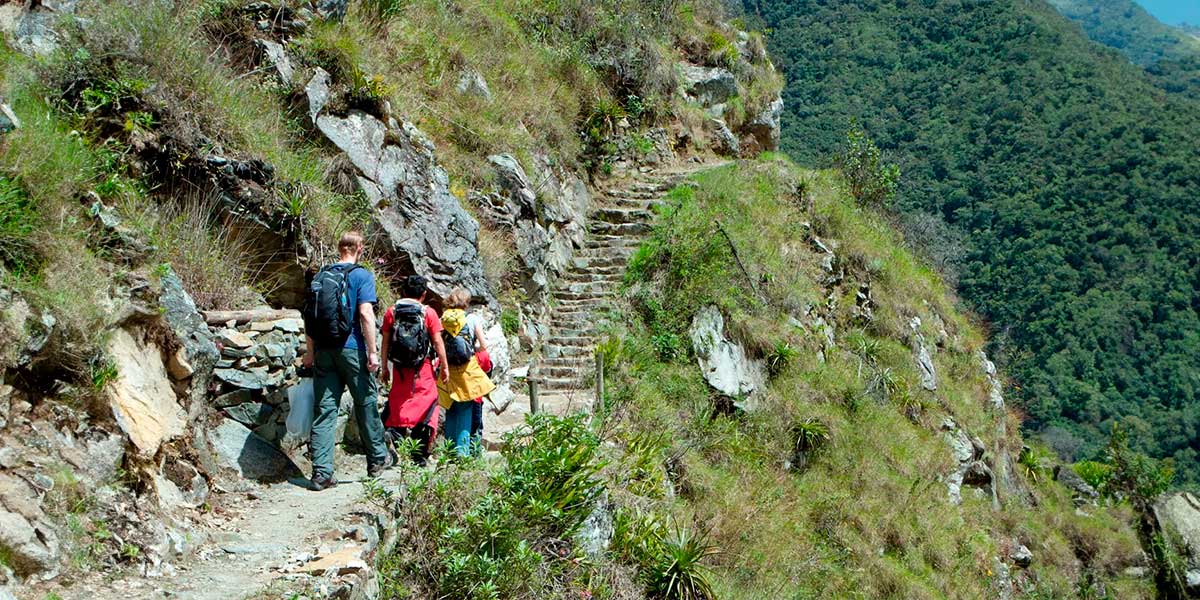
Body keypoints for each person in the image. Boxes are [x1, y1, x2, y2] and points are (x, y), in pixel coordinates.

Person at [302, 231, 391, 490]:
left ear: (339, 248)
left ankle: (321, 473)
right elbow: (365, 314)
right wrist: (373, 352)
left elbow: (310, 318)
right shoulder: (361, 275)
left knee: (325, 410)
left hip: (323, 351)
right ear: (359, 248)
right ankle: (376, 459)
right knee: (365, 403)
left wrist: (310, 352)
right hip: (352, 348)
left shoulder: (321, 276)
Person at [380, 275, 449, 466]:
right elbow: (437, 341)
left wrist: (384, 366)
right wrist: (444, 366)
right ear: (424, 294)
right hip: (423, 368)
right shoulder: (429, 313)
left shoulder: (391, 312)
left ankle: (394, 434)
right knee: (428, 407)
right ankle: (418, 456)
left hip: (400, 369)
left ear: (403, 292)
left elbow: (385, 342)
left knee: (399, 402)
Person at [437, 288, 495, 457]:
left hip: (447, 369)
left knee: (451, 409)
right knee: (465, 410)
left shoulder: (444, 319)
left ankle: (449, 451)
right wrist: (472, 347)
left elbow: (437, 344)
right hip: (466, 369)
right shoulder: (471, 319)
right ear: (466, 302)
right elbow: (483, 345)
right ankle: (462, 453)